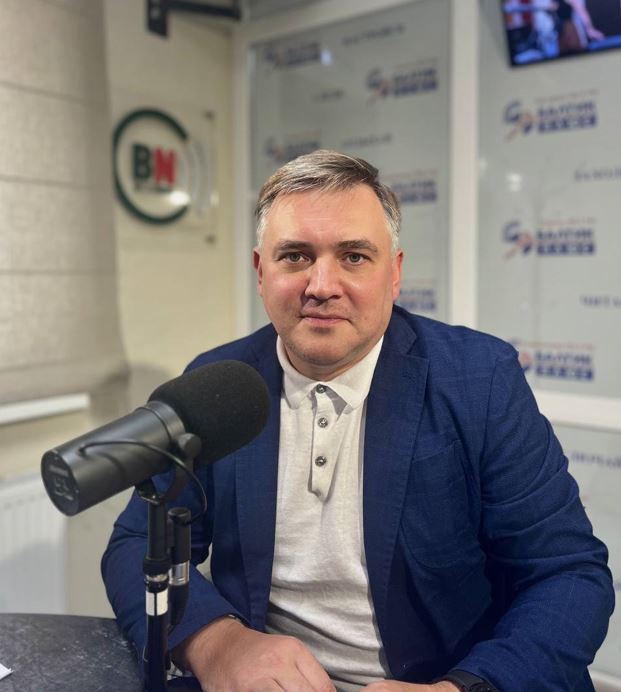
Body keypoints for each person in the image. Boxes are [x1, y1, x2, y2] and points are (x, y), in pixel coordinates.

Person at [102, 150, 614, 692]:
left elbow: (567, 574)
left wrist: (462, 689)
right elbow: (137, 543)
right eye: (295, 256)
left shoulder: (479, 379)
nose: (321, 285)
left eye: (353, 256)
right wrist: (217, 643)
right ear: (260, 272)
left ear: (394, 274)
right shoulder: (218, 388)